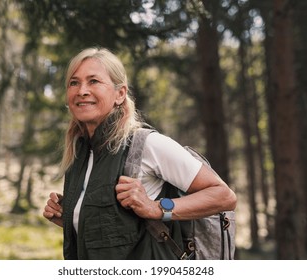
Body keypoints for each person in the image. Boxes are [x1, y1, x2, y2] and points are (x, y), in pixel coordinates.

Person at [42, 47, 237, 260]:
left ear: (120, 94)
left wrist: (157, 208)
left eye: (94, 81)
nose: (82, 90)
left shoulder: (146, 145)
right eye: (74, 83)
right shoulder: (79, 155)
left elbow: (223, 196)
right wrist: (72, 216)